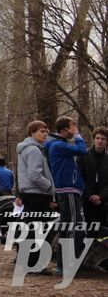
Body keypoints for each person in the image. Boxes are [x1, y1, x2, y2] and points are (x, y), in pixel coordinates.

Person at [46, 115, 88, 274]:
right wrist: (77, 135)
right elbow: (82, 150)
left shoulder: (58, 144)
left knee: (66, 226)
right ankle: (68, 265)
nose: (75, 128)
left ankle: (62, 265)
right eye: (72, 126)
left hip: (69, 190)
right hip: (68, 190)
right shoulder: (58, 145)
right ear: (64, 130)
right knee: (73, 226)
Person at [15, 120, 56, 274]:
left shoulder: (25, 149)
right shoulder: (34, 150)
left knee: (29, 228)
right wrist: (50, 187)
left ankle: (24, 261)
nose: (45, 134)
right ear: (32, 132)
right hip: (37, 194)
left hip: (29, 193)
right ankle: (34, 264)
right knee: (37, 230)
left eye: (46, 131)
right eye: (41, 131)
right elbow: (34, 175)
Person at [80, 126, 108, 236]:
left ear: (106, 142)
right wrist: (90, 195)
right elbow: (80, 178)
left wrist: (100, 196)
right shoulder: (83, 156)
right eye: (98, 138)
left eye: (103, 139)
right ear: (94, 139)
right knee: (90, 231)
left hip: (104, 201)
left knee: (103, 232)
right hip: (88, 200)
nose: (100, 141)